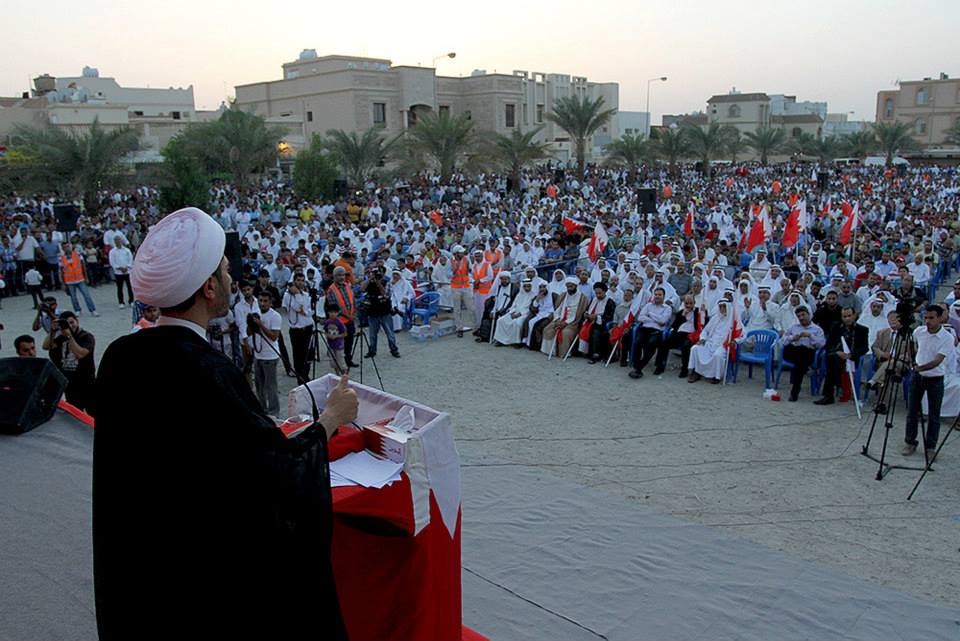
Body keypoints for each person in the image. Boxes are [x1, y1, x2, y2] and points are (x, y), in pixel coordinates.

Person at [92, 207, 357, 640]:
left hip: (138, 576)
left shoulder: (121, 356)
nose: (234, 279)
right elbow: (277, 476)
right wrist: (331, 418)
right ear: (210, 287)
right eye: (227, 271)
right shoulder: (207, 370)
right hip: (204, 586)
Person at [903, 305, 954, 460]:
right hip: (918, 377)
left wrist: (919, 368)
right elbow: (911, 344)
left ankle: (930, 447)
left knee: (934, 414)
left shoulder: (947, 338)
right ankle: (910, 442)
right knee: (912, 411)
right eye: (925, 317)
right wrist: (912, 360)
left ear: (940, 318)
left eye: (931, 318)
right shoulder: (919, 331)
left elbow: (937, 361)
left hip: (935, 378)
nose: (927, 321)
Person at [42, 310, 96, 411]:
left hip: (87, 383)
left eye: (72, 322)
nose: (70, 326)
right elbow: (46, 346)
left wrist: (69, 336)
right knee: (76, 414)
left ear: (77, 321)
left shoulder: (86, 337)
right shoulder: (61, 338)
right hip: (70, 385)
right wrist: (52, 331)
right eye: (67, 324)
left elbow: (80, 354)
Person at [815, 307, 869, 405]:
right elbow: (829, 344)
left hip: (852, 358)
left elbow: (864, 348)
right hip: (837, 355)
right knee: (832, 359)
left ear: (854, 316)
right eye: (844, 316)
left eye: (849, 316)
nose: (847, 318)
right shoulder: (836, 327)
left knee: (832, 363)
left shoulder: (862, 330)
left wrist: (850, 355)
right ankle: (831, 393)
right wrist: (837, 352)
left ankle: (833, 391)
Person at [781, 306, 827, 402]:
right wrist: (792, 338)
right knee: (797, 351)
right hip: (793, 352)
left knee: (802, 356)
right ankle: (807, 369)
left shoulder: (817, 329)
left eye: (803, 315)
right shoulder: (794, 327)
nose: (801, 318)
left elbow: (822, 344)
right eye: (799, 316)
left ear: (809, 315)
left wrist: (810, 336)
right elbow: (783, 340)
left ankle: (794, 392)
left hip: (808, 354)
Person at [250, 291, 282, 415]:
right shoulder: (256, 314)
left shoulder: (275, 316)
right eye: (260, 301)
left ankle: (274, 412)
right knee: (259, 386)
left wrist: (261, 325)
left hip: (270, 356)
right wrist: (250, 323)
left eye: (265, 301)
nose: (262, 304)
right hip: (258, 355)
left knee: (270, 386)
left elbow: (274, 337)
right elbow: (249, 333)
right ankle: (262, 410)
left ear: (270, 302)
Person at [629, 286, 672, 377]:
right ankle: (636, 365)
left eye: (659, 295)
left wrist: (650, 315)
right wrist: (656, 319)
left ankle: (639, 368)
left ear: (664, 296)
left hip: (657, 331)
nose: (657, 296)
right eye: (656, 294)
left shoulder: (667, 308)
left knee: (651, 344)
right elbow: (640, 318)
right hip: (645, 329)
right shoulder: (648, 305)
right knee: (637, 342)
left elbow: (663, 321)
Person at [657, 294, 703, 378]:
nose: (688, 305)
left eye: (691, 303)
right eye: (686, 303)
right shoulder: (681, 312)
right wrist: (683, 316)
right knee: (664, 343)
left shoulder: (698, 312)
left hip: (691, 334)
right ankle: (660, 366)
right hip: (680, 333)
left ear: (694, 303)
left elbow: (702, 324)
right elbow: (674, 326)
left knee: (685, 346)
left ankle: (684, 369)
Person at [687, 299, 732, 384]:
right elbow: (705, 330)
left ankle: (716, 376)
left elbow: (742, 334)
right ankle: (696, 372)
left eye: (724, 306)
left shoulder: (733, 320)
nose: (722, 309)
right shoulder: (715, 318)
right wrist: (702, 339)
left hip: (723, 345)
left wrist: (735, 341)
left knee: (717, 355)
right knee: (695, 348)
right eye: (720, 307)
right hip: (710, 343)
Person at [541, 277, 587, 357]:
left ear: (576, 286)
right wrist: (557, 319)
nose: (569, 288)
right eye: (568, 286)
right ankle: (550, 351)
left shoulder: (582, 298)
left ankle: (563, 353)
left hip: (573, 322)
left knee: (565, 333)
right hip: (559, 319)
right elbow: (558, 309)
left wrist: (565, 322)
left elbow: (578, 314)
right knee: (547, 329)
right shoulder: (563, 295)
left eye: (571, 286)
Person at [866, 310, 912, 390]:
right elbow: (875, 347)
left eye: (896, 318)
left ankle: (874, 381)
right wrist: (883, 354)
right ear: (887, 320)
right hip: (884, 362)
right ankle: (884, 386)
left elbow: (911, 352)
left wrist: (895, 358)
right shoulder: (881, 333)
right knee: (889, 371)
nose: (893, 320)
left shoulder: (908, 334)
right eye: (891, 318)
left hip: (901, 363)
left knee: (890, 364)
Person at [361, 268, 400, 359]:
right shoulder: (369, 282)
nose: (377, 276)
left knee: (390, 333)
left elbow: (385, 294)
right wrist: (369, 279)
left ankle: (394, 350)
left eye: (379, 274)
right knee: (372, 334)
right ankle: (372, 350)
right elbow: (362, 289)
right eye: (375, 274)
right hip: (372, 311)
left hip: (385, 311)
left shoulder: (387, 282)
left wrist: (378, 283)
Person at [282, 273, 315, 381]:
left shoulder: (306, 294)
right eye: (298, 280)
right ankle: (300, 378)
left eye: (302, 280)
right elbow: (297, 307)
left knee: (308, 354)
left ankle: (306, 375)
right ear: (294, 281)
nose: (301, 283)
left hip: (308, 327)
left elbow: (310, 310)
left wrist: (305, 312)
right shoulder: (288, 296)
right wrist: (296, 294)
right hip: (296, 330)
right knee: (298, 356)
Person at [326, 265, 358, 367]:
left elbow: (353, 301)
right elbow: (334, 308)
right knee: (339, 344)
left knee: (349, 341)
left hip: (349, 320)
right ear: (334, 276)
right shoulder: (331, 290)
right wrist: (349, 316)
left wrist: (354, 313)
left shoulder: (347, 285)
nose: (341, 277)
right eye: (339, 275)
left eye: (343, 275)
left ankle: (348, 360)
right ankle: (340, 364)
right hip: (339, 321)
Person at [492, 278, 536, 346]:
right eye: (525, 286)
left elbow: (529, 309)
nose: (527, 288)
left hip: (525, 314)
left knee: (517, 323)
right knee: (501, 320)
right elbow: (514, 305)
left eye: (528, 286)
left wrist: (520, 314)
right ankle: (500, 340)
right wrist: (511, 312)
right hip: (514, 312)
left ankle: (516, 342)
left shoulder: (533, 295)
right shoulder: (519, 294)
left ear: (531, 286)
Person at [60, 242, 99, 316]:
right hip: (69, 280)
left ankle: (92, 310)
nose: (67, 248)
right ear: (63, 249)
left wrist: (86, 277)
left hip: (80, 278)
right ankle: (77, 310)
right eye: (65, 247)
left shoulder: (77, 254)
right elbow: (61, 271)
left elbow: (83, 266)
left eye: (68, 246)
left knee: (86, 295)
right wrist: (63, 283)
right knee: (73, 297)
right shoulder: (61, 258)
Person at [583, 281, 616, 363]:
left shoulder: (609, 302)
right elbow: (587, 310)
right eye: (596, 293)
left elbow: (610, 316)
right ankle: (583, 351)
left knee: (596, 331)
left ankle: (596, 354)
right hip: (591, 321)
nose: (598, 295)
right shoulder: (594, 300)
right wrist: (586, 314)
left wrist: (597, 317)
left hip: (603, 324)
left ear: (604, 292)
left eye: (600, 293)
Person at [449, 245, 473, 337]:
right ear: (456, 254)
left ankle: (475, 327)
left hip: (466, 286)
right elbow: (448, 275)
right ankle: (459, 328)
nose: (463, 254)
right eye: (461, 252)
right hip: (456, 287)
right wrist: (455, 270)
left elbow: (470, 271)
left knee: (471, 307)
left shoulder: (466, 259)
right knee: (457, 309)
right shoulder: (450, 261)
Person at [322, 300, 348, 373]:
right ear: (328, 312)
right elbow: (325, 331)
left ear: (337, 313)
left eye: (335, 312)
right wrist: (328, 335)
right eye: (331, 312)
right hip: (331, 345)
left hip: (339, 345)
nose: (333, 314)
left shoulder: (339, 323)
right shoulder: (327, 322)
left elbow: (345, 334)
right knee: (333, 362)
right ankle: (337, 374)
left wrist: (336, 336)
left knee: (341, 362)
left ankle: (344, 374)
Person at [108, 237, 134, 308]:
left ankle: (131, 301)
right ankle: (121, 302)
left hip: (127, 271)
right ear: (114, 242)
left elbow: (130, 259)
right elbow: (112, 262)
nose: (118, 241)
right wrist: (119, 268)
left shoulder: (126, 250)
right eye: (116, 240)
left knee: (130, 287)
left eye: (119, 240)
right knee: (119, 288)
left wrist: (127, 266)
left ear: (121, 241)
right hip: (118, 272)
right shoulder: (112, 251)